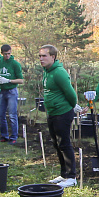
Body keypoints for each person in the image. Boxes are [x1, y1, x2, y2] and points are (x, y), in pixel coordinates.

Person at [40, 45, 79, 188]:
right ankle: (63, 174)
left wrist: (72, 106)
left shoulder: (59, 73)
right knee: (56, 143)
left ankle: (71, 176)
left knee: (64, 143)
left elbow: (71, 95)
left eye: (44, 56)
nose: (41, 59)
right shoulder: (47, 71)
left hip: (62, 113)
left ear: (53, 57)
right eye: (40, 56)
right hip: (52, 112)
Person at [0, 43, 24, 144]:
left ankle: (14, 137)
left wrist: (8, 81)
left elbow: (21, 80)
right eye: (5, 54)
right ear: (2, 53)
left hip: (12, 91)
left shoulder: (15, 64)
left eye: (9, 54)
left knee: (12, 114)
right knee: (0, 114)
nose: (7, 56)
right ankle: (4, 135)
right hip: (2, 91)